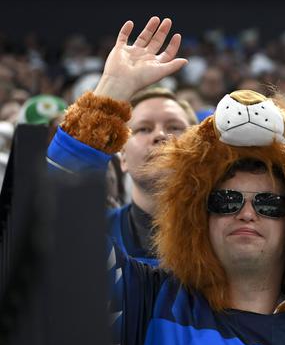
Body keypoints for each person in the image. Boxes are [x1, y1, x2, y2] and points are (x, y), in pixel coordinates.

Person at [47, 17, 285, 345]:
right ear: (199, 217)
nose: (247, 213)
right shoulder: (148, 300)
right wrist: (111, 92)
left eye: (269, 203)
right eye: (226, 200)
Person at [49, 80, 198, 265]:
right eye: (143, 128)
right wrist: (112, 86)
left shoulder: (228, 232)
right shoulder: (91, 231)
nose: (160, 135)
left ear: (198, 149)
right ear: (123, 157)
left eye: (175, 127)